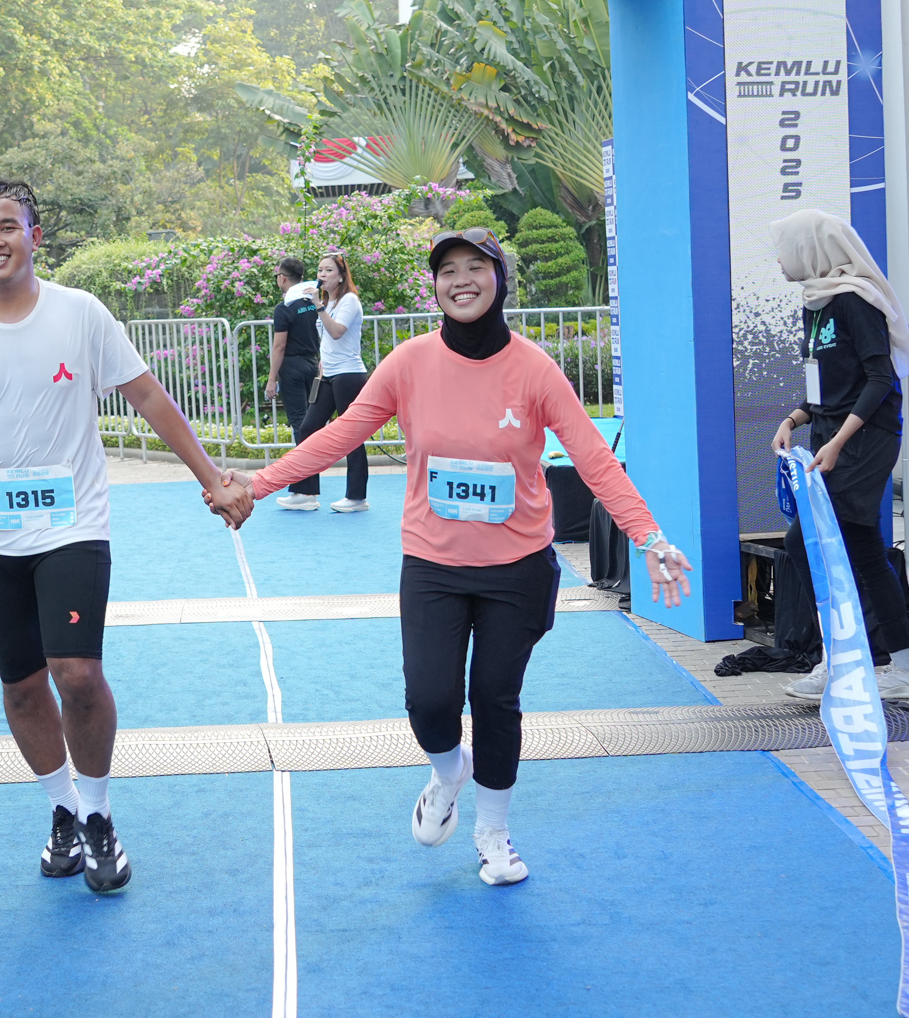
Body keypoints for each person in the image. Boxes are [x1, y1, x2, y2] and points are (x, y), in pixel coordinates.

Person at [223, 227, 694, 887]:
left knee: (495, 699)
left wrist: (649, 538)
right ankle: (449, 773)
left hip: (517, 569)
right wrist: (260, 483)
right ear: (436, 285)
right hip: (434, 565)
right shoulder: (410, 363)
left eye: (476, 266)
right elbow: (341, 434)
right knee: (429, 700)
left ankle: (493, 832)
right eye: (448, 270)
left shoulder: (534, 369)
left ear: (499, 278)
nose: (461, 280)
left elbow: (593, 457)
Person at [0, 178, 253, 895]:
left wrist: (212, 480)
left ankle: (99, 814)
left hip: (73, 526)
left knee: (76, 673)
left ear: (34, 236)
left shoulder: (81, 313)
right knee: (21, 687)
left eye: (8, 226)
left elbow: (146, 395)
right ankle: (63, 809)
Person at [766, 209, 909, 703]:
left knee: (805, 542)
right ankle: (906, 667)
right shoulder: (816, 303)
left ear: (810, 249)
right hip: (832, 437)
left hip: (864, 441)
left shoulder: (856, 301)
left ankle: (840, 660)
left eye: (784, 249)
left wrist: (838, 442)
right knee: (862, 548)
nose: (779, 260)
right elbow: (826, 385)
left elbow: (880, 380)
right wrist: (793, 419)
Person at [288, 252, 370, 512]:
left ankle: (357, 497)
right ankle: (305, 492)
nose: (322, 275)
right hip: (328, 375)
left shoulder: (349, 301)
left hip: (349, 375)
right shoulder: (327, 302)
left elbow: (336, 332)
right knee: (308, 428)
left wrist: (319, 306)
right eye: (320, 270)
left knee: (350, 436)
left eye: (329, 270)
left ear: (341, 275)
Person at [264, 257, 321, 510]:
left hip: (293, 368)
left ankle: (305, 491)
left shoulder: (284, 307)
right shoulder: (311, 302)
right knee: (309, 426)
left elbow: (279, 346)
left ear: (283, 278)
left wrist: (271, 379)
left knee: (300, 426)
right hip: (311, 364)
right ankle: (307, 489)